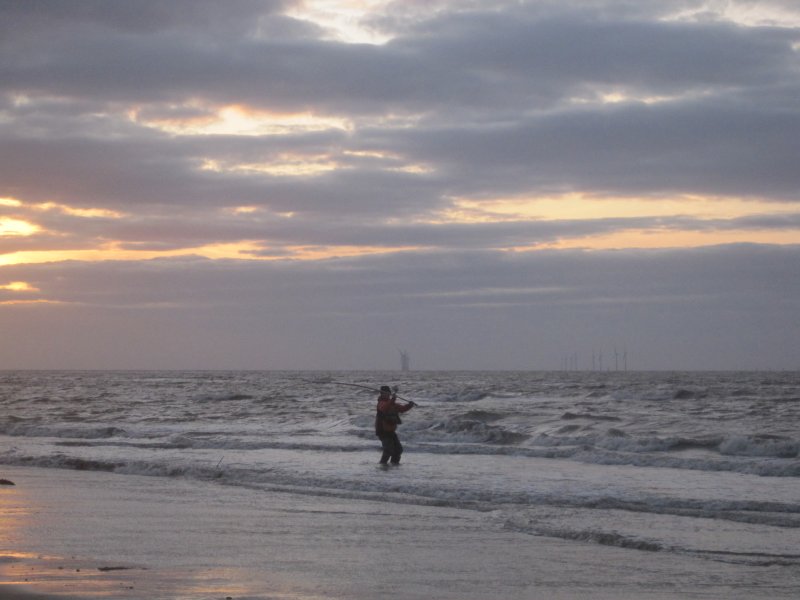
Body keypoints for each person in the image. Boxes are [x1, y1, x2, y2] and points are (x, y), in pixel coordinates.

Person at [375, 385, 413, 465]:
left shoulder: (392, 404)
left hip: (391, 431)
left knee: (398, 450)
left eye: (388, 393)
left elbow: (402, 409)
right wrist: (393, 399)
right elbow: (384, 408)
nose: (387, 395)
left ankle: (394, 464)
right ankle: (382, 465)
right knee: (388, 450)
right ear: (381, 394)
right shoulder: (380, 403)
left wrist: (409, 405)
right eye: (385, 393)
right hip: (383, 431)